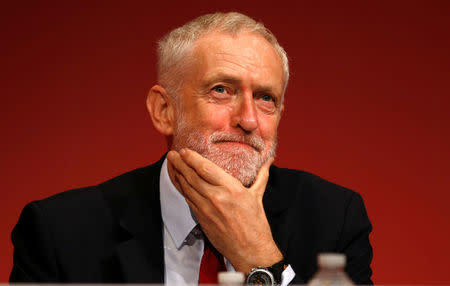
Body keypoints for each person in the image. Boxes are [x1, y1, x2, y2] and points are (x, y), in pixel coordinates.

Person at [10, 12, 373, 285]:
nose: (248, 119)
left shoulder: (334, 219)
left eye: (266, 98)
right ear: (164, 111)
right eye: (221, 90)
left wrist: (261, 258)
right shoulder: (61, 232)